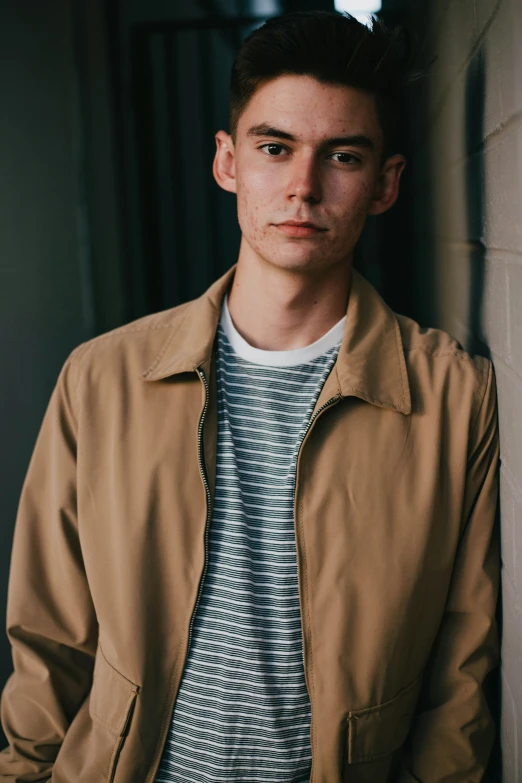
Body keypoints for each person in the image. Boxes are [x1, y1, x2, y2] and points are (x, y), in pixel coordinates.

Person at [0, 9, 499, 783]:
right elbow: (48, 647)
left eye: (342, 155)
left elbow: (459, 685)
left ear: (385, 184)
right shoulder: (100, 380)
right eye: (275, 148)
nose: (303, 187)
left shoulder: (452, 401)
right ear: (228, 162)